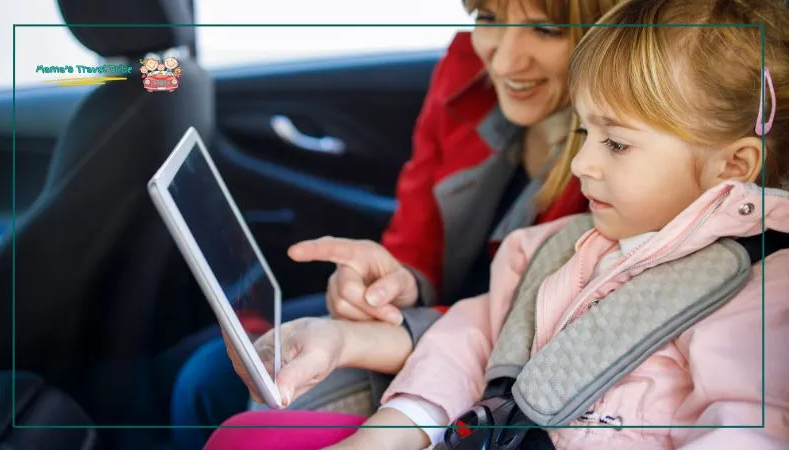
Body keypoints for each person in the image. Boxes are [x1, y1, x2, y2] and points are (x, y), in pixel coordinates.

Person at [204, 0, 789, 448]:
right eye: (584, 134)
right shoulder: (557, 246)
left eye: (613, 143)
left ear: (733, 166)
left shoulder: (760, 293)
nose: (582, 164)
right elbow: (476, 335)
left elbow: (742, 427)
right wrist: (389, 426)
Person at [169, 0, 620, 448]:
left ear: (609, 29)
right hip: (426, 326)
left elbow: (521, 332)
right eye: (488, 20)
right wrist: (397, 279)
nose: (503, 59)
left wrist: (361, 336)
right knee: (195, 365)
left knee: (208, 383)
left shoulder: (614, 173)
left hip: (482, 367)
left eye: (546, 31)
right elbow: (417, 223)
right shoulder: (466, 68)